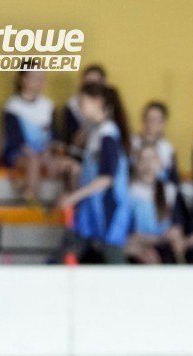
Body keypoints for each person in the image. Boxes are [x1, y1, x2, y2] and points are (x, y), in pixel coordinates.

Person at [56, 82, 131, 264]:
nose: (79, 107)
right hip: (92, 206)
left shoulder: (108, 134)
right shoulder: (96, 132)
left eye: (82, 102)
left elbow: (106, 178)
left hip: (108, 206)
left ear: (97, 102)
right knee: (74, 247)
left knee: (112, 254)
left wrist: (74, 197)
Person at [0, 70, 69, 202]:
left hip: (44, 152)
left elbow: (55, 136)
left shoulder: (48, 105)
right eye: (34, 78)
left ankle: (64, 204)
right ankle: (31, 200)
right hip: (20, 153)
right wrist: (36, 154)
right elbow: (15, 140)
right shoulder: (12, 107)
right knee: (33, 162)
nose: (39, 82)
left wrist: (49, 151)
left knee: (66, 165)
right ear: (22, 79)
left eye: (42, 78)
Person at [126, 143, 186, 264]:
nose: (147, 164)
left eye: (151, 158)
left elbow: (177, 225)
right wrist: (141, 249)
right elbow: (125, 234)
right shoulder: (128, 192)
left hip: (164, 248)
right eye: (142, 159)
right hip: (137, 248)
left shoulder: (170, 190)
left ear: (159, 162)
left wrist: (176, 237)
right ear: (136, 163)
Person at [131, 101, 180, 185]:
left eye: (156, 120)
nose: (151, 123)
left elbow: (173, 178)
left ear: (163, 123)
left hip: (159, 189)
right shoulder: (132, 142)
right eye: (148, 119)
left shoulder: (168, 148)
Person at [62, 64, 107, 155]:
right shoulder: (72, 105)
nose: (91, 89)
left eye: (95, 84)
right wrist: (88, 123)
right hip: (81, 154)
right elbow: (72, 145)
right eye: (87, 84)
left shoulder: (109, 128)